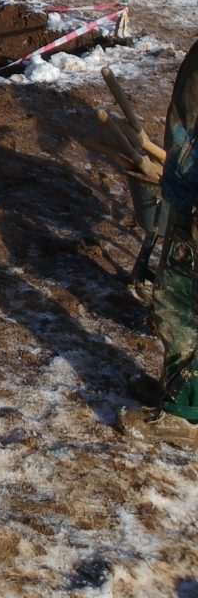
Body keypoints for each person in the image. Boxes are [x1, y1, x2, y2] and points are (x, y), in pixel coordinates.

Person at [117, 38, 198, 446]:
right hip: (188, 184)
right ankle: (178, 391)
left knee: (183, 303)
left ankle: (184, 414)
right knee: (176, 298)